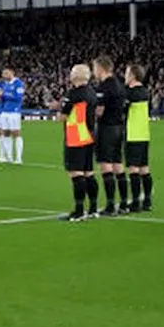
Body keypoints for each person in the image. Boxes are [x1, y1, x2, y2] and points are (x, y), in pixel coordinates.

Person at [54, 64, 98, 222]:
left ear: (75, 76)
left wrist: (58, 109)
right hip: (89, 134)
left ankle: (79, 211)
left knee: (76, 173)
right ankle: (93, 208)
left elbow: (63, 117)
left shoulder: (73, 94)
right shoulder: (92, 92)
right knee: (89, 173)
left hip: (75, 135)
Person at [91, 57, 128, 216]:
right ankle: (124, 204)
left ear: (101, 68)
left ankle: (110, 206)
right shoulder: (119, 83)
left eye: (94, 68)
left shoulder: (104, 86)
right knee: (118, 164)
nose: (94, 72)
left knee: (105, 164)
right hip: (119, 127)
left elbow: (99, 110)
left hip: (107, 128)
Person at [124, 64, 153, 212]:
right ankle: (147, 201)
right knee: (144, 168)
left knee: (133, 169)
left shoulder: (129, 93)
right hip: (144, 133)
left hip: (132, 133)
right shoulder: (146, 92)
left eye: (127, 73)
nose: (125, 75)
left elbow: (123, 112)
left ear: (133, 75)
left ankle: (135, 202)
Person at [0, 67, 26, 164]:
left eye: (6, 73)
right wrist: (1, 96)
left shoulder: (18, 83)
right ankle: (9, 157)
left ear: (12, 73)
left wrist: (4, 95)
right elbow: (3, 98)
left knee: (16, 133)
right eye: (3, 74)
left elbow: (18, 97)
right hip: (5, 111)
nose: (4, 75)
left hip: (14, 111)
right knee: (5, 133)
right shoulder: (5, 84)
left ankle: (18, 158)